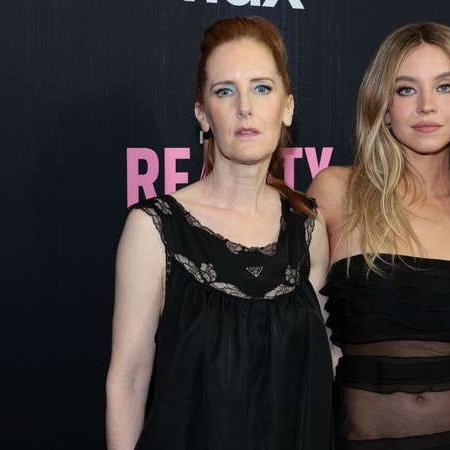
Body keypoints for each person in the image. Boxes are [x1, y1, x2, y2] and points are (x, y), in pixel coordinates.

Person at [307, 22, 450, 449]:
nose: (427, 105)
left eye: (445, 87)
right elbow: (314, 341)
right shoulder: (337, 194)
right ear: (383, 107)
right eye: (406, 89)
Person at [106, 16, 333, 450]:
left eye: (261, 88)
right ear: (203, 115)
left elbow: (324, 371)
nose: (245, 107)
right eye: (225, 91)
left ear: (287, 107)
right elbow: (129, 381)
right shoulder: (153, 228)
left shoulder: (309, 226)